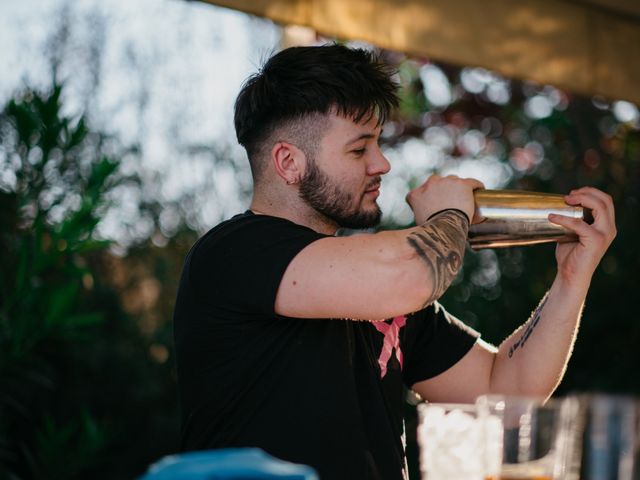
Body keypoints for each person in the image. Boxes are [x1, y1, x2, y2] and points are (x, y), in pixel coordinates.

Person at [173, 44, 616, 480]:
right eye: (358, 149)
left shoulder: (382, 285)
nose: (381, 163)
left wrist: (571, 277)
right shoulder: (234, 253)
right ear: (289, 162)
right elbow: (410, 274)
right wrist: (451, 215)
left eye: (379, 144)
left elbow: (505, 392)